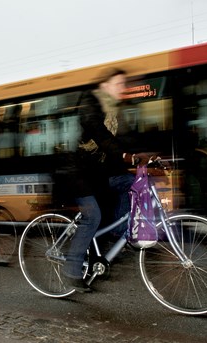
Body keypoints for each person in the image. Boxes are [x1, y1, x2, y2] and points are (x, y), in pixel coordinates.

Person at [63, 68, 152, 292]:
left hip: (102, 174)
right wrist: (124, 155)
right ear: (104, 85)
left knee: (134, 184)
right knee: (93, 217)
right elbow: (99, 133)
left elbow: (125, 137)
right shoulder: (90, 103)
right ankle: (72, 270)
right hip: (80, 173)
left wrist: (147, 154)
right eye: (119, 83)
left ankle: (117, 232)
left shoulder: (114, 111)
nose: (122, 88)